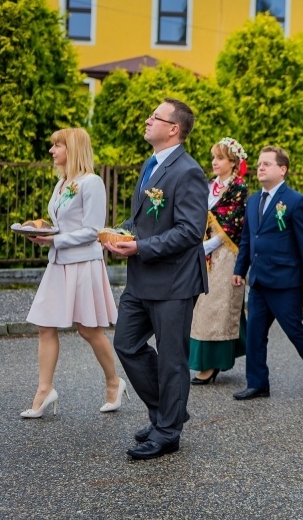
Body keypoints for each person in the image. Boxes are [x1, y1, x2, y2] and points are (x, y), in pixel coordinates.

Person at [105, 98, 209, 460]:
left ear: (173, 129)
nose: (148, 120)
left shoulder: (189, 171)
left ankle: (167, 432)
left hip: (174, 282)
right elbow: (142, 221)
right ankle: (170, 412)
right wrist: (116, 234)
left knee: (172, 359)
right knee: (127, 344)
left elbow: (190, 232)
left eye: (155, 117)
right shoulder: (151, 165)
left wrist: (140, 247)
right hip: (141, 278)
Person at [21, 128, 123, 418]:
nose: (52, 151)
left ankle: (114, 382)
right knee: (44, 325)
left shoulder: (92, 183)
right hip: (58, 263)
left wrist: (54, 239)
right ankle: (44, 390)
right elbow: (61, 224)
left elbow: (93, 231)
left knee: (88, 329)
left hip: (83, 264)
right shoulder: (62, 183)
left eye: (57, 146)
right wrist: (41, 233)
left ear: (73, 148)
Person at [232, 146, 303, 400]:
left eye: (267, 163)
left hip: (285, 280)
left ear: (282, 169)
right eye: (259, 164)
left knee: (294, 330)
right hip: (259, 280)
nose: (260, 168)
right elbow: (247, 238)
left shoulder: (296, 201)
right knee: (255, 333)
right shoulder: (253, 200)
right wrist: (240, 269)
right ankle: (257, 383)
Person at [189, 138, 249, 385]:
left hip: (225, 252)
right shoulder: (210, 186)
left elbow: (234, 222)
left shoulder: (239, 187)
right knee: (202, 305)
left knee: (218, 304)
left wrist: (208, 245)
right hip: (203, 250)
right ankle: (206, 359)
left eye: (221, 158)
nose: (215, 162)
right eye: (214, 157)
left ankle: (213, 362)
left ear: (233, 163)